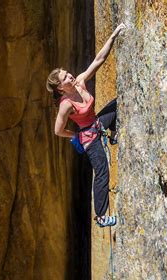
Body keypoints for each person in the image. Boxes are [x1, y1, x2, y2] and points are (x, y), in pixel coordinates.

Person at [45, 23, 126, 227]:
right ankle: (100, 217)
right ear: (60, 88)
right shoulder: (66, 105)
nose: (70, 76)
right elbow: (57, 130)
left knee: (118, 104)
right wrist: (75, 135)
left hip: (97, 123)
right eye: (65, 78)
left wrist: (114, 34)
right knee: (102, 172)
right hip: (89, 139)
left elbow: (99, 60)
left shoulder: (80, 82)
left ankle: (113, 133)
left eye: (67, 73)